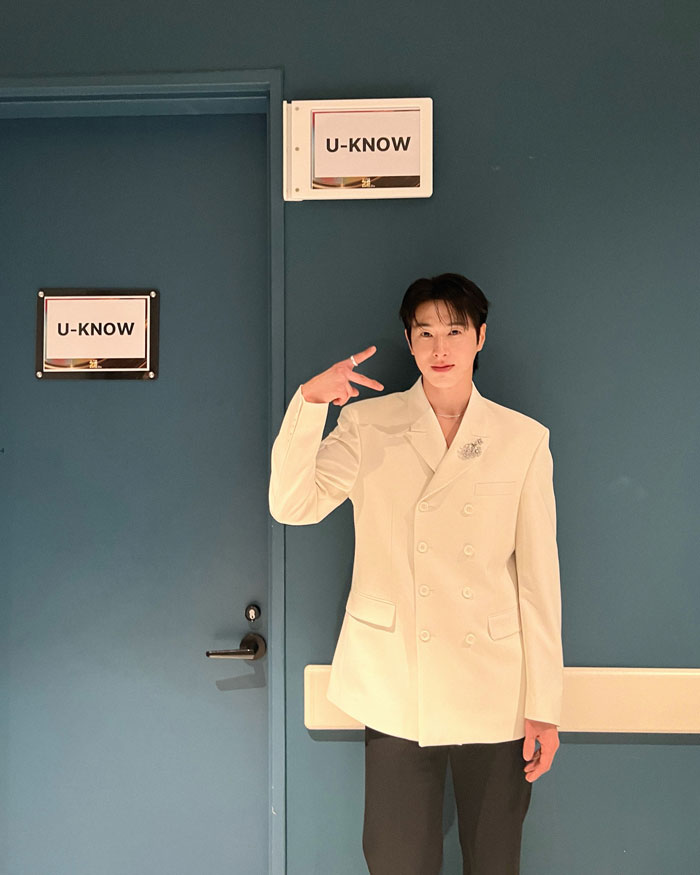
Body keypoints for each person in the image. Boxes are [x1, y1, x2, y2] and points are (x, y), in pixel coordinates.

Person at [269, 273, 563, 874]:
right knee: (396, 858)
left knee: (495, 859)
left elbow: (539, 581)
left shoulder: (522, 439)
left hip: (494, 681)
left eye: (454, 331)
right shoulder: (368, 424)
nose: (440, 347)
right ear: (408, 341)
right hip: (395, 675)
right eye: (425, 333)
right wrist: (310, 405)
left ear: (481, 337)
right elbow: (292, 505)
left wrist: (545, 704)